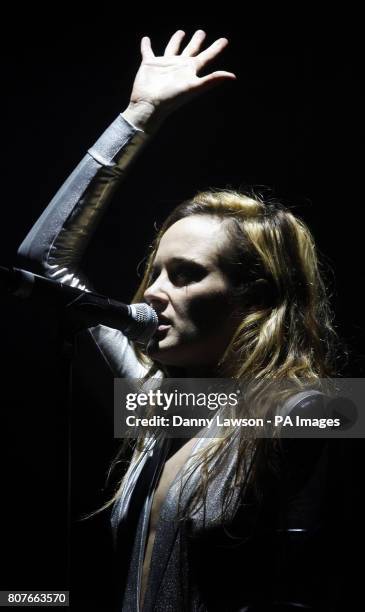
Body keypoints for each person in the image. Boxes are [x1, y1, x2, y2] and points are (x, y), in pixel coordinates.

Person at [17, 30, 343, 611]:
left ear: (258, 298)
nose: (153, 292)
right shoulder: (162, 404)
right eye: (157, 271)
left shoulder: (306, 411)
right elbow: (44, 263)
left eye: (187, 274)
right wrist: (138, 115)